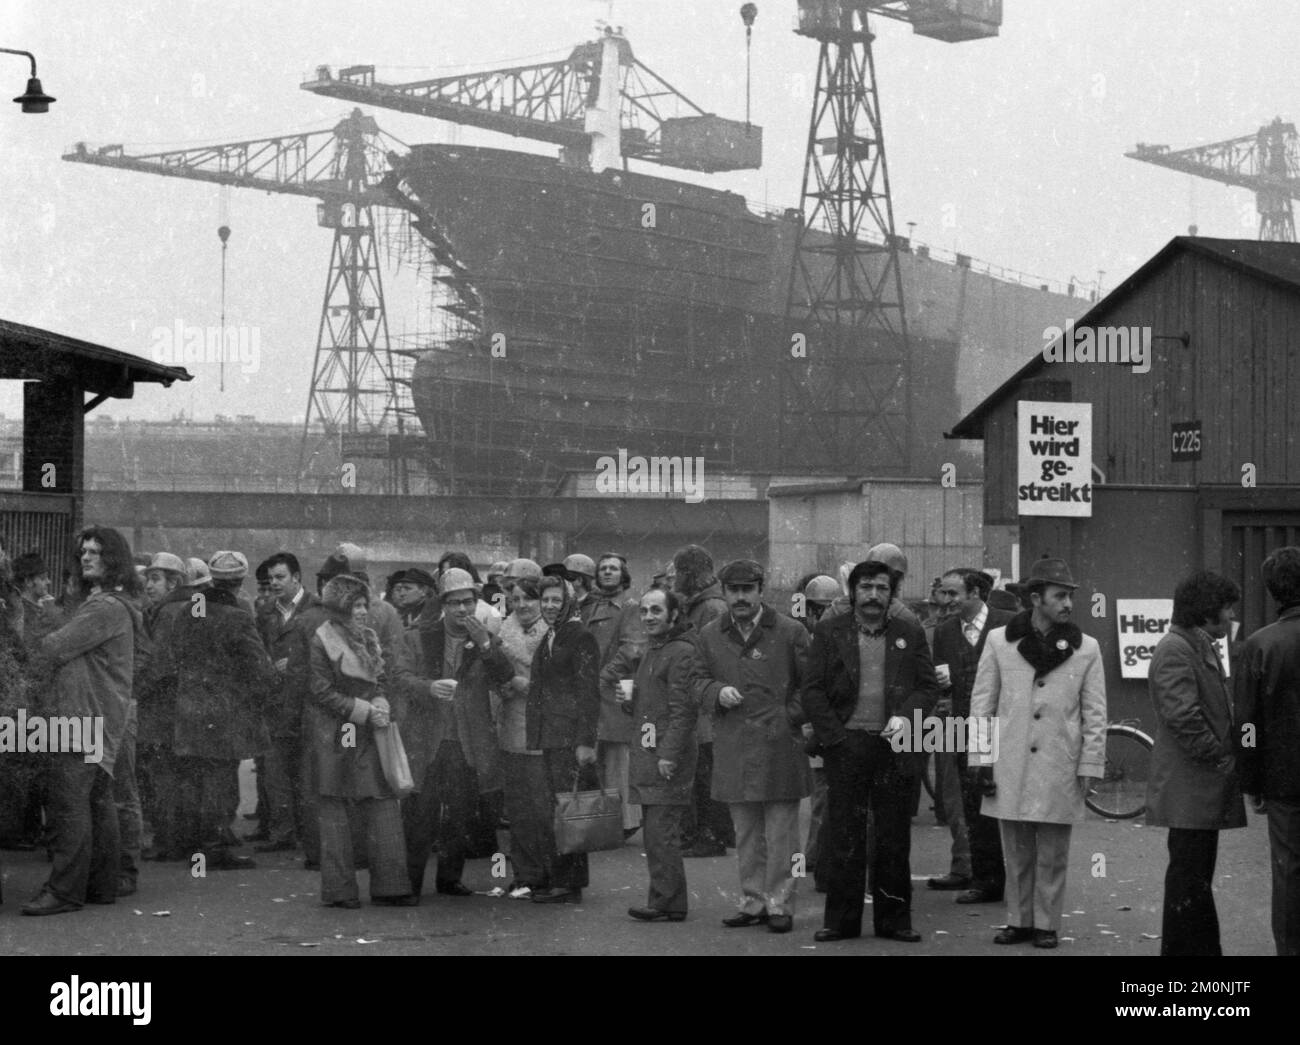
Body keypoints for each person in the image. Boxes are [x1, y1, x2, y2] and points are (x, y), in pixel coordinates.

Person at [968, 557, 1107, 950]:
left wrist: (1091, 763)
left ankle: (1046, 924)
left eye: (1070, 597)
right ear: (1035, 598)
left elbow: (1096, 713)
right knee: (1015, 849)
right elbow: (982, 705)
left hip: (1059, 763)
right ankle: (1018, 921)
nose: (1067, 604)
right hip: (1009, 762)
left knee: (1053, 851)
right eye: (1059, 596)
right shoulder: (999, 642)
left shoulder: (1087, 649)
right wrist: (979, 760)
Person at [802, 558, 940, 943]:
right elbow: (811, 689)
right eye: (866, 588)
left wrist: (905, 717)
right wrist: (835, 737)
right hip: (846, 745)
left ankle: (895, 922)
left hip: (894, 745)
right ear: (853, 592)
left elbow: (928, 688)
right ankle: (840, 923)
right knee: (845, 834)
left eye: (881, 588)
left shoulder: (909, 631)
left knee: (893, 837)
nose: (874, 596)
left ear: (891, 593)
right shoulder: (830, 631)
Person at [23, 527, 140, 916]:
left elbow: (53, 648)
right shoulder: (112, 603)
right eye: (84, 551)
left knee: (69, 804)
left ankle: (65, 891)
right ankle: (100, 885)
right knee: (97, 802)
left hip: (81, 717)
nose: (87, 557)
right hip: (100, 717)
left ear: (114, 560)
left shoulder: (104, 607)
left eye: (97, 552)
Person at [692, 559, 810, 934]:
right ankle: (753, 901)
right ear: (723, 593)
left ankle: (782, 903)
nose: (740, 597)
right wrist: (714, 691)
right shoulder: (709, 634)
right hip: (734, 746)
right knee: (745, 834)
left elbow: (812, 687)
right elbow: (693, 680)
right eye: (733, 590)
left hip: (780, 747)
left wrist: (788, 717)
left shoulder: (791, 631)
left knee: (783, 836)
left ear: (761, 590)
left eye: (748, 589)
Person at [149, 550, 273, 872]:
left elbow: (172, 655)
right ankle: (215, 847)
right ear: (239, 582)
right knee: (220, 780)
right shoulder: (238, 616)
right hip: (223, 713)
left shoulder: (191, 611)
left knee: (193, 778)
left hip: (188, 709)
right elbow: (259, 667)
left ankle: (194, 844)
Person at [394, 567, 512, 899]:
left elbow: (503, 675)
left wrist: (485, 644)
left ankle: (449, 880)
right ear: (443, 605)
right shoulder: (417, 636)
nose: (462, 610)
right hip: (427, 740)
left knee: (460, 816)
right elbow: (400, 678)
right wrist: (428, 687)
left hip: (467, 741)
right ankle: (410, 883)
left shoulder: (484, 637)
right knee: (420, 816)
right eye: (455, 603)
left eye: (468, 602)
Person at [1145, 570, 1245, 956]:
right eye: (1227, 607)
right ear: (1206, 612)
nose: (1231, 615)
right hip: (1191, 788)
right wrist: (1220, 756)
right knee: (1189, 878)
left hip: (1197, 789)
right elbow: (1182, 716)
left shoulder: (1194, 644)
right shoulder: (1176, 648)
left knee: (1194, 878)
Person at [306, 574, 414, 908]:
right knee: (336, 806)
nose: (363, 611)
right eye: (356, 605)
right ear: (340, 609)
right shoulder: (321, 640)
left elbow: (380, 680)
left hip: (368, 728)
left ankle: (391, 886)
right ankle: (339, 891)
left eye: (365, 604)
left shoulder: (368, 637)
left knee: (381, 801)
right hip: (337, 731)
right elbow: (320, 690)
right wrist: (362, 709)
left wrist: (380, 702)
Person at [928, 568, 1014, 903]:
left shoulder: (1009, 623)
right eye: (942, 594)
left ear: (975, 593)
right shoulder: (946, 631)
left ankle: (1019, 880)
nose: (944, 601)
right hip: (967, 728)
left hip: (1007, 725)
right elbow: (944, 677)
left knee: (1010, 804)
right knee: (974, 803)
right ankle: (986, 880)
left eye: (952, 594)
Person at [618, 588, 699, 922]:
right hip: (651, 753)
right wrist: (627, 699)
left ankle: (667, 903)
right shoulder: (655, 650)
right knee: (655, 832)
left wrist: (668, 754)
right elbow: (649, 704)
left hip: (666, 757)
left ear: (673, 615)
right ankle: (666, 900)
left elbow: (684, 711)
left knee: (661, 833)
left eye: (657, 611)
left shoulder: (680, 652)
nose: (649, 617)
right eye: (645, 611)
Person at [1235, 545, 1300, 956]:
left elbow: (1246, 726)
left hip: (1284, 780)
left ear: (1274, 593)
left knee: (1289, 871)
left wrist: (1251, 779)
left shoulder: (1259, 646)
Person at [526, 574, 601, 904]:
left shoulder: (580, 636)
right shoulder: (552, 636)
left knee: (568, 809)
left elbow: (589, 692)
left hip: (569, 737)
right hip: (552, 736)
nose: (550, 606)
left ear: (568, 602)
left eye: (556, 600)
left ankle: (569, 884)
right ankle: (560, 878)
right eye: (546, 600)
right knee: (558, 808)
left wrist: (586, 741)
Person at [254, 551, 325, 858]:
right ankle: (283, 831)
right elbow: (257, 648)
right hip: (275, 700)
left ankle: (308, 833)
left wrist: (294, 664)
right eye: (271, 579)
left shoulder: (317, 610)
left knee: (306, 771)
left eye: (280, 577)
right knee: (276, 770)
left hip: (307, 699)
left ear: (297, 577)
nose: (274, 583)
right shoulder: (266, 610)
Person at [672, 544, 732, 857]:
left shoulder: (711, 608)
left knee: (705, 774)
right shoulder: (704, 605)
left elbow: (713, 656)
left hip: (705, 703)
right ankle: (704, 834)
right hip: (701, 699)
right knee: (701, 772)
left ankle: (710, 836)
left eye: (679, 571)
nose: (675, 577)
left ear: (690, 574)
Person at [493, 576, 551, 896]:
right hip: (513, 726)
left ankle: (548, 872)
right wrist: (509, 683)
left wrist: (522, 683)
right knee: (518, 808)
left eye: (531, 598)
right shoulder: (503, 632)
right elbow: (494, 679)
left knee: (543, 806)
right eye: (516, 598)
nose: (523, 604)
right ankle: (524, 872)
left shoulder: (554, 632)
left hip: (545, 729)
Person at [581, 551, 645, 838]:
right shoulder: (592, 607)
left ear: (623, 576)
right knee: (600, 759)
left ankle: (626, 822)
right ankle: (608, 821)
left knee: (618, 760)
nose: (607, 572)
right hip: (595, 692)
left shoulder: (630, 607)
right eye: (603, 568)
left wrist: (602, 677)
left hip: (614, 692)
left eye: (613, 569)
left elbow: (632, 649)